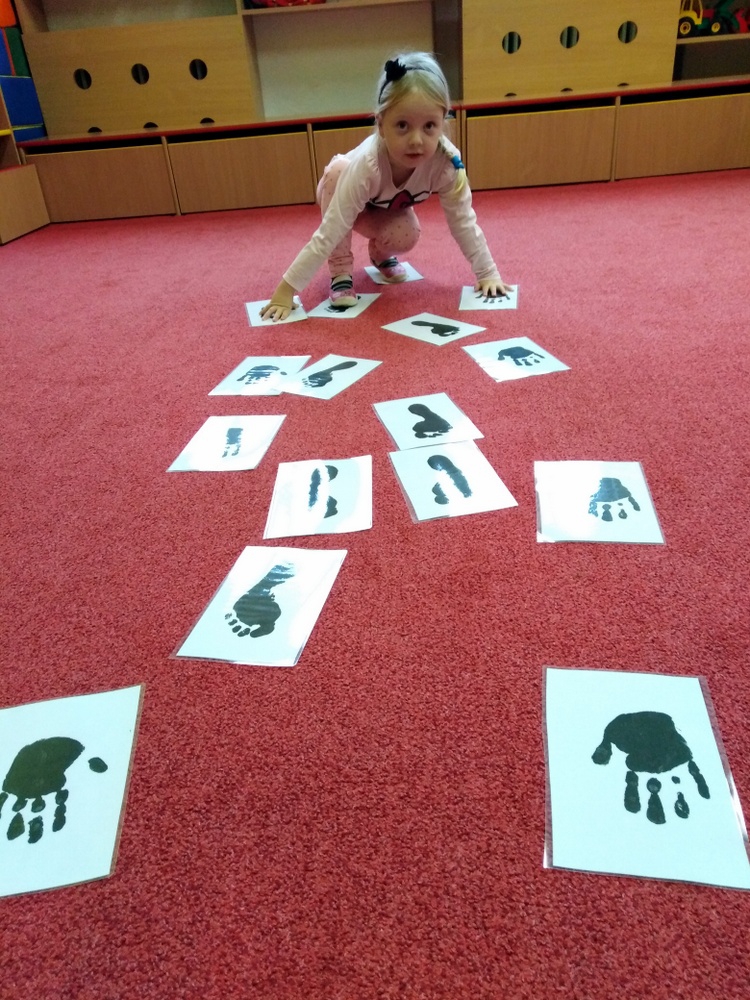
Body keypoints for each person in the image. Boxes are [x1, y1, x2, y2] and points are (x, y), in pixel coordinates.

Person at [260, 51, 510, 321]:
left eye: (429, 126)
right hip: (339, 193)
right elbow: (331, 229)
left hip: (385, 207)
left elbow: (463, 221)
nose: (416, 140)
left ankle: (380, 256)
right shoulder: (368, 164)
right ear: (381, 125)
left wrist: (487, 273)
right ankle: (341, 272)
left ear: (443, 122)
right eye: (402, 125)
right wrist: (286, 290)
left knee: (408, 234)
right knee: (337, 172)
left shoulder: (447, 163)